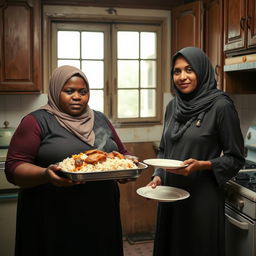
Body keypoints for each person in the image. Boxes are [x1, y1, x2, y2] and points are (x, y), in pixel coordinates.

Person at [5, 65, 137, 256]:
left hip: (101, 215)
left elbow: (120, 154)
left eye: (83, 92)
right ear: (55, 91)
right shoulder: (36, 121)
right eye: (69, 91)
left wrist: (126, 166)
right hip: (53, 217)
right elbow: (13, 168)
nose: (77, 96)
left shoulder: (100, 119)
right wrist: (45, 174)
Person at [147, 47, 245, 256]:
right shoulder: (173, 106)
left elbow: (236, 158)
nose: (182, 77)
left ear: (202, 71)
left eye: (189, 70)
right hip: (171, 196)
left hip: (202, 198)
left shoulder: (221, 106)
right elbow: (165, 148)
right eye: (177, 71)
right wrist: (158, 176)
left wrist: (204, 165)